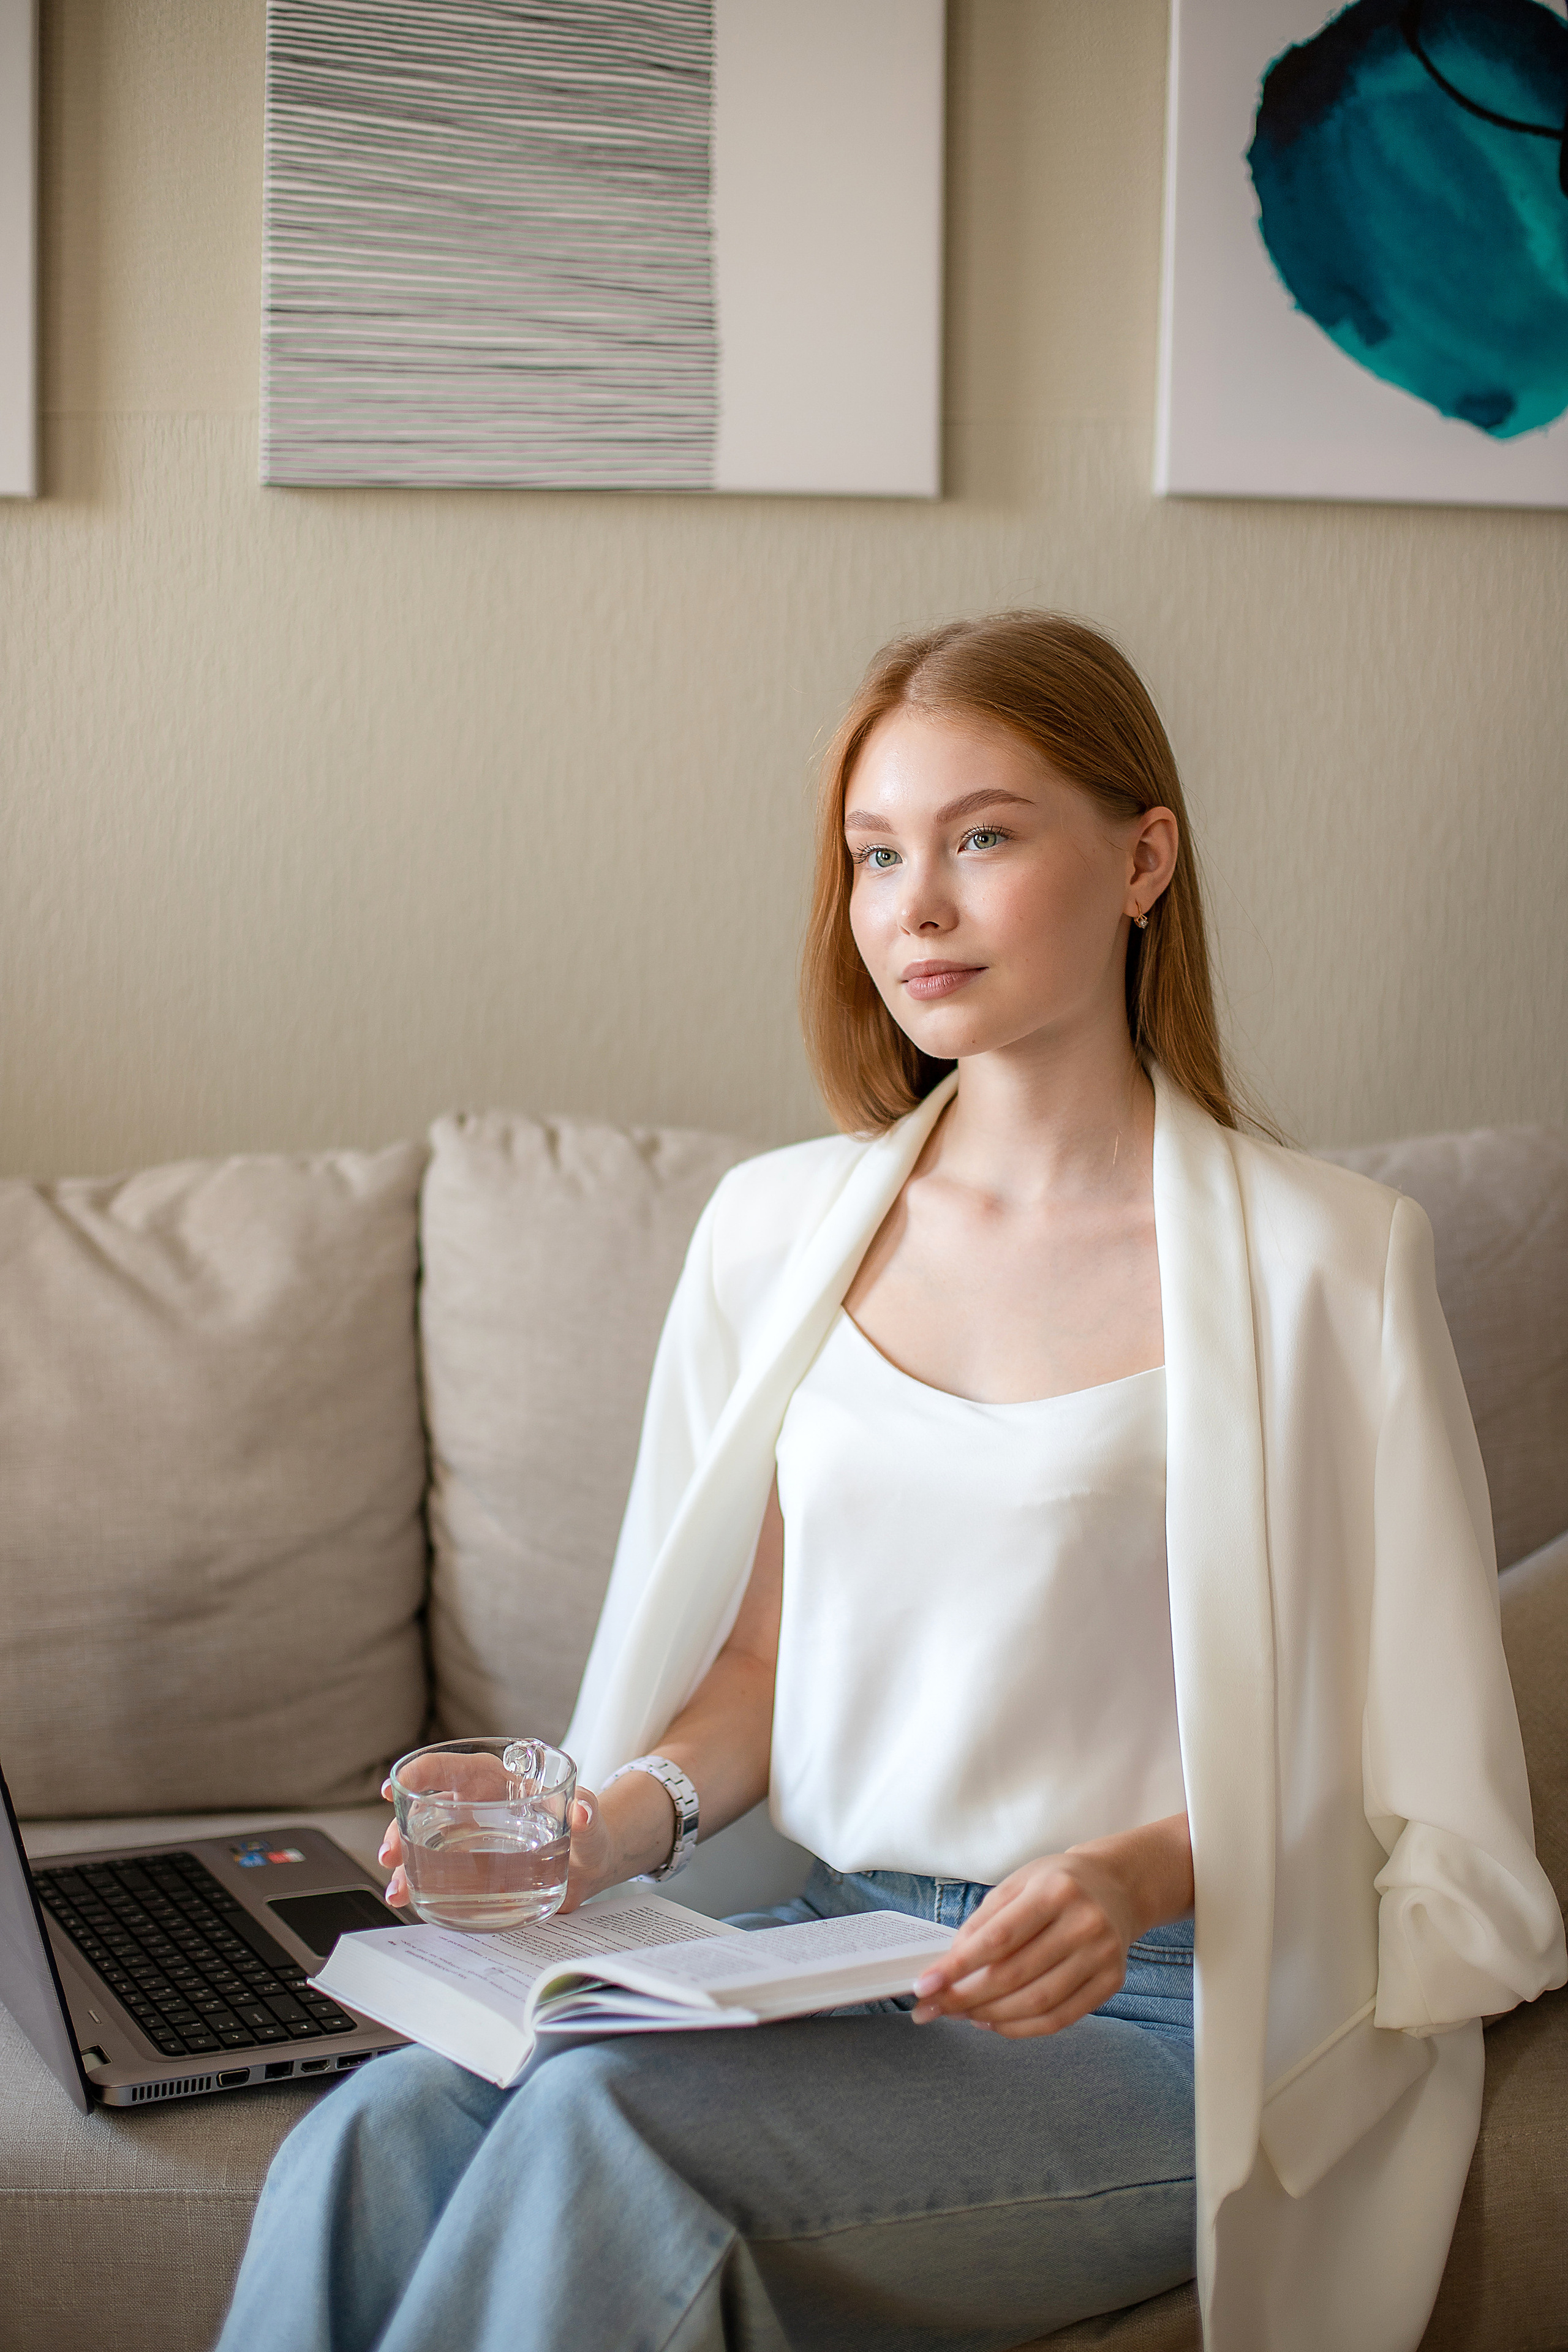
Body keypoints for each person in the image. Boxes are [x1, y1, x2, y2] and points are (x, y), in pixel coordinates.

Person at [217, 613, 1564, 2352]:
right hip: (832, 1948)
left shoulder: (1330, 1263)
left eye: (981, 837)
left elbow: (1400, 1757)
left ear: (1143, 860)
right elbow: (765, 1664)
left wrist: (1134, 1878)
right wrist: (599, 1830)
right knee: (378, 2136)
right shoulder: (777, 1231)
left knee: (605, 2136)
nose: (914, 906)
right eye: (875, 855)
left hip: (1163, 2009)